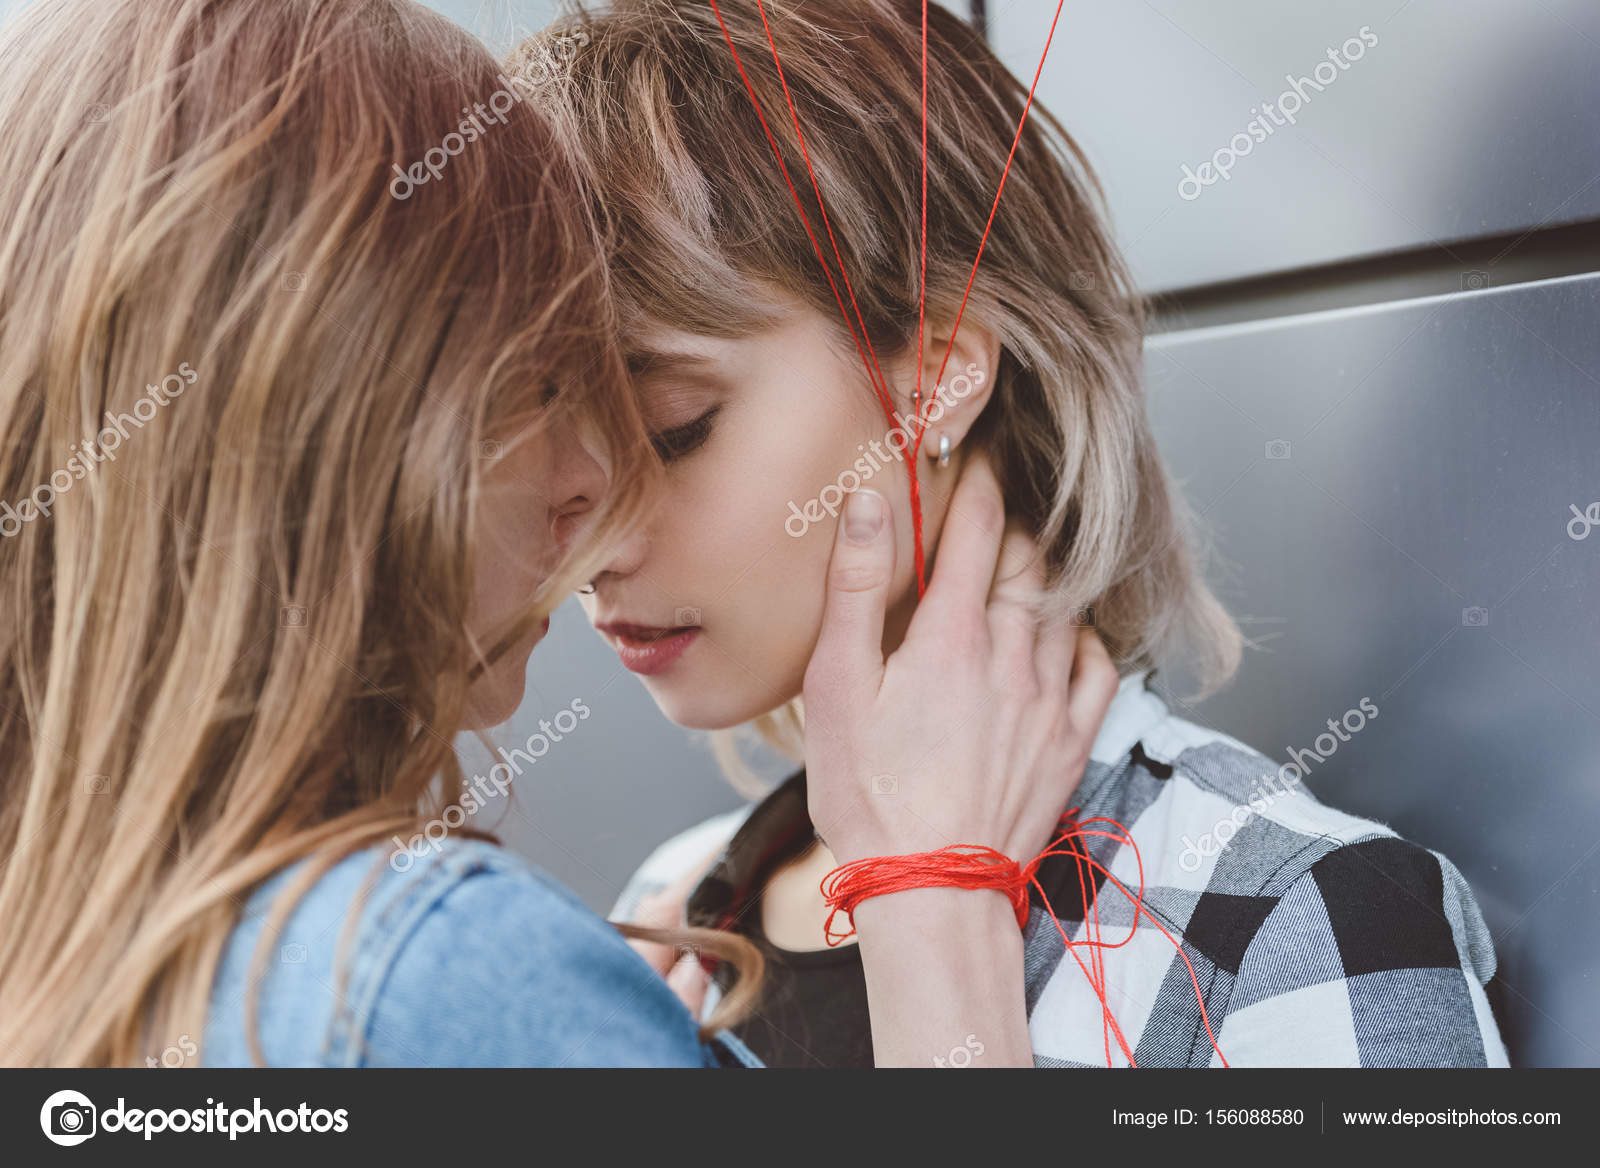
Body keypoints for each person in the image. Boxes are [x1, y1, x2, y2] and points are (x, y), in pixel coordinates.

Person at [0, 0, 1115, 1069]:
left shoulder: (1239, 892)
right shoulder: (508, 957)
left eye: (673, 431)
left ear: (941, 379)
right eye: (523, 409)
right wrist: (936, 908)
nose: (596, 516)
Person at [537, 0, 1510, 1067]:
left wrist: (935, 930)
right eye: (550, 452)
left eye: (671, 431)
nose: (586, 546)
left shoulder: (1297, 930)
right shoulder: (662, 921)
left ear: (941, 375)